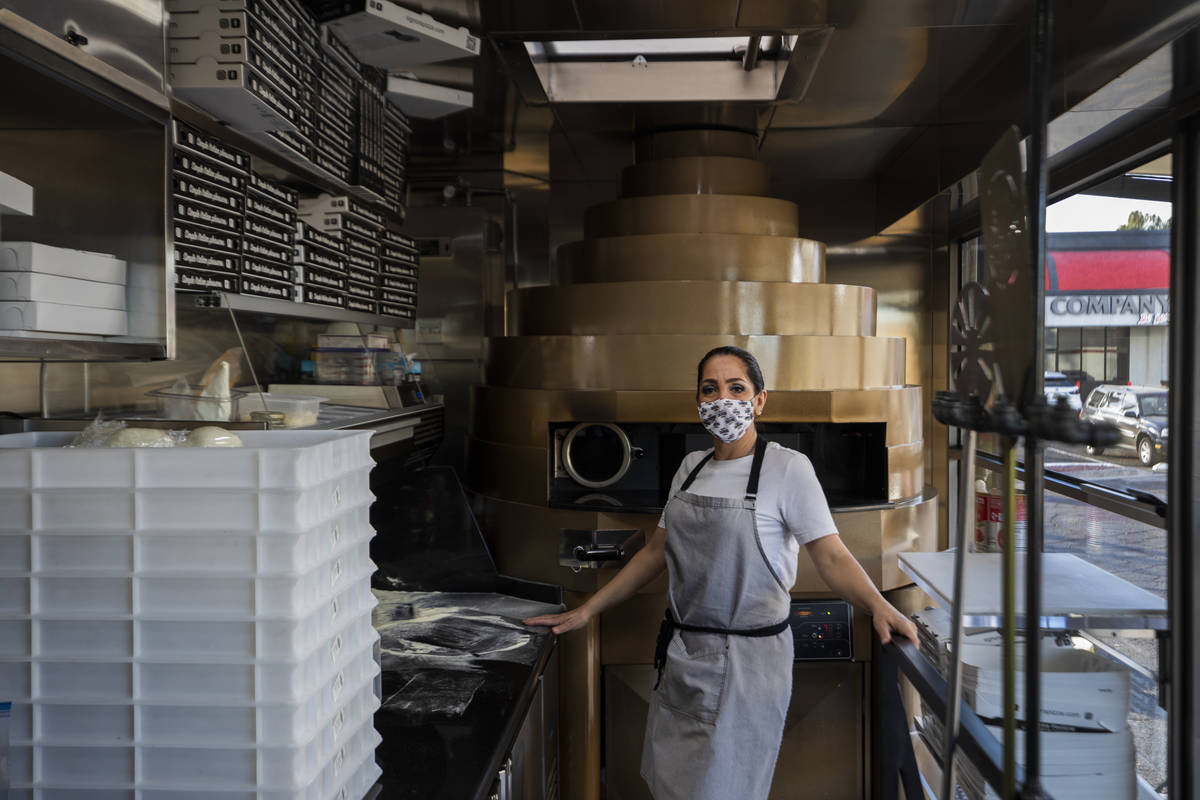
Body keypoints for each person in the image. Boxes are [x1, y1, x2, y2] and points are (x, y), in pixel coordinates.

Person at [524, 345, 918, 800]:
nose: (722, 400)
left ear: (759, 399)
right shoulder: (691, 469)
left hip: (749, 666)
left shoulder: (788, 469)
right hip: (684, 654)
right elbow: (656, 553)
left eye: (736, 388)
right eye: (710, 389)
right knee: (675, 786)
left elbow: (831, 557)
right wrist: (585, 612)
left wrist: (880, 607)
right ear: (698, 401)